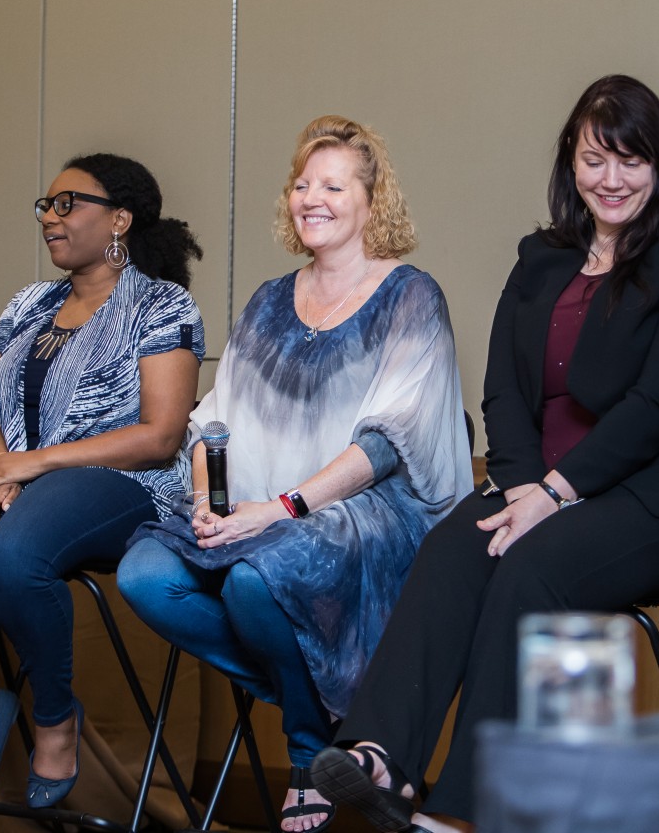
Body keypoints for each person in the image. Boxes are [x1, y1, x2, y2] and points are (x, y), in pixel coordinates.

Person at [310, 77, 659, 833]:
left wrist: (557, 492)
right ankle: (380, 756)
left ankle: (459, 812)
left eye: (631, 160)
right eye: (594, 159)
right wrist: (522, 488)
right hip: (540, 488)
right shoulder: (543, 258)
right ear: (570, 164)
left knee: (530, 566)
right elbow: (504, 397)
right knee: (453, 548)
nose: (611, 179)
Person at [116, 115, 471, 833]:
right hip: (259, 505)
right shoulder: (270, 300)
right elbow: (211, 419)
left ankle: (308, 751)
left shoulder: (410, 296)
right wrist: (209, 500)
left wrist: (279, 509)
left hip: (374, 511)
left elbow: (386, 444)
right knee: (143, 576)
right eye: (303, 183)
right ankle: (324, 704)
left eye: (334, 185)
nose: (313, 197)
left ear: (374, 202)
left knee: (258, 580)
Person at [0, 153, 204, 809]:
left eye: (67, 203)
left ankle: (54, 716)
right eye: (45, 206)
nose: (50, 217)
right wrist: (0, 476)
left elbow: (161, 435)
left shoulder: (162, 304)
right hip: (16, 476)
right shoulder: (28, 303)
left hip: (122, 480)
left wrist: (37, 464)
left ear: (120, 220)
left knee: (13, 557)